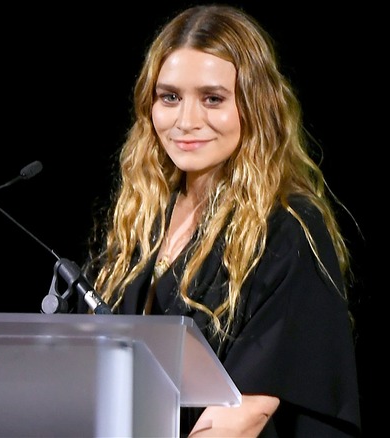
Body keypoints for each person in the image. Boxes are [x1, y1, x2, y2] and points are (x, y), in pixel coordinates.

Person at [79, 4, 360, 437]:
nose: (187, 121)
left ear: (254, 106)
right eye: (169, 97)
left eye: (213, 99)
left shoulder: (287, 230)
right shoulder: (141, 222)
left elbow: (245, 413)